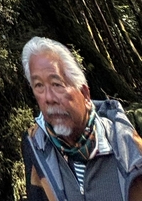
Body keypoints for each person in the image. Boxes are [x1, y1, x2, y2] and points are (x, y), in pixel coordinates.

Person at [21, 36, 142, 200]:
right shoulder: (37, 148)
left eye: (57, 84)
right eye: (39, 86)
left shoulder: (130, 149)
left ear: (85, 94)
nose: (48, 98)